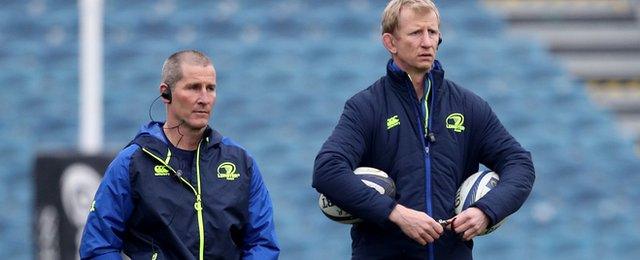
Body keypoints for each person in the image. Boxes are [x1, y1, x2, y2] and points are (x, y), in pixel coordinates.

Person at [312, 0, 535, 259]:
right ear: (390, 42)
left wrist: (486, 210)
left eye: (433, 32)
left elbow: (519, 163)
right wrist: (395, 213)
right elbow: (327, 170)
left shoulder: (468, 106)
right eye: (416, 33)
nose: (428, 42)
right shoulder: (366, 107)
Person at [79, 50, 279, 260]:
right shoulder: (132, 163)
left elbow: (262, 243)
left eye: (210, 88)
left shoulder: (240, 163)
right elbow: (99, 247)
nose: (204, 99)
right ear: (166, 93)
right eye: (193, 87)